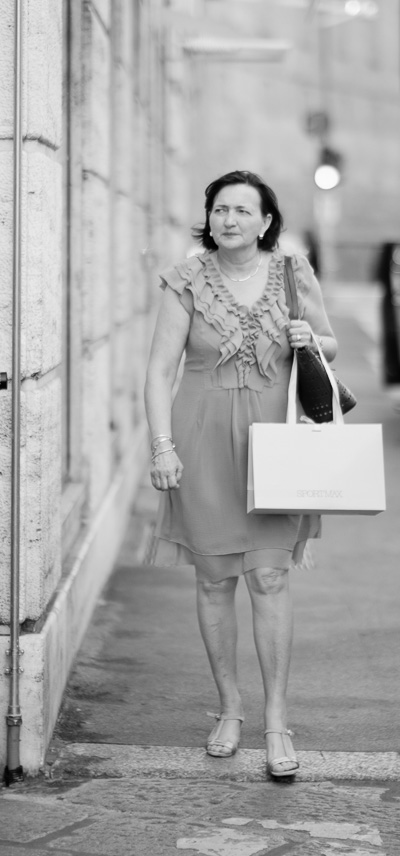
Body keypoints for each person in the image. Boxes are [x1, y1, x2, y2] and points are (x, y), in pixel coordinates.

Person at [144, 170, 337, 779]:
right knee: (213, 581)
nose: (229, 220)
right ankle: (229, 709)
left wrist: (310, 337)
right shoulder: (186, 280)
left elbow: (329, 346)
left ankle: (277, 719)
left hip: (275, 444)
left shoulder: (292, 272)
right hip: (200, 440)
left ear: (265, 221)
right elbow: (157, 372)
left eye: (242, 211)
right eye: (220, 209)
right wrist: (161, 446)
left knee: (272, 578)